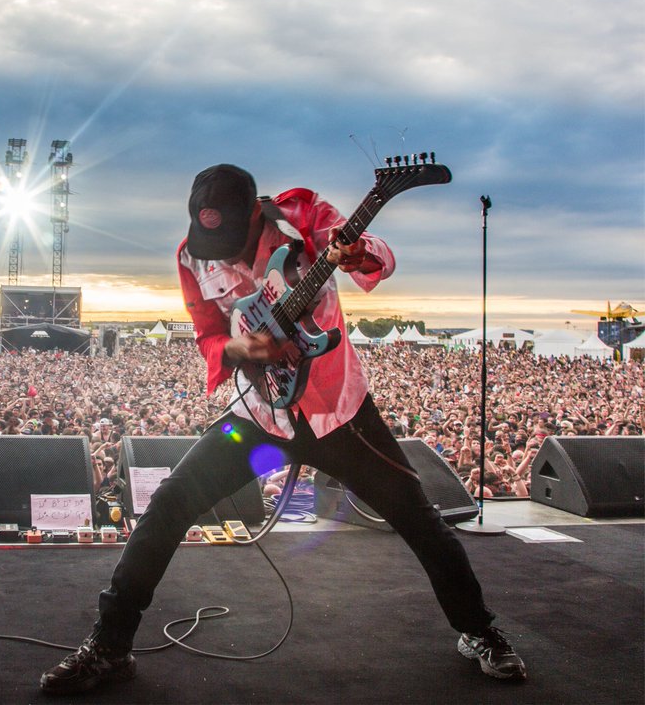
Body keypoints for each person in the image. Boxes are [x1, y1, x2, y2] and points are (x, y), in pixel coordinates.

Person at [40, 164, 526, 695]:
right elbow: (207, 335)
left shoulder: (303, 215)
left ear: (256, 212)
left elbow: (379, 262)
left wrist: (354, 250)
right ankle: (109, 645)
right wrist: (236, 349)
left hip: (337, 415)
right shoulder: (189, 255)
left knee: (418, 518)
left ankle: (480, 631)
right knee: (172, 501)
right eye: (211, 241)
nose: (220, 254)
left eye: (230, 239)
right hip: (260, 418)